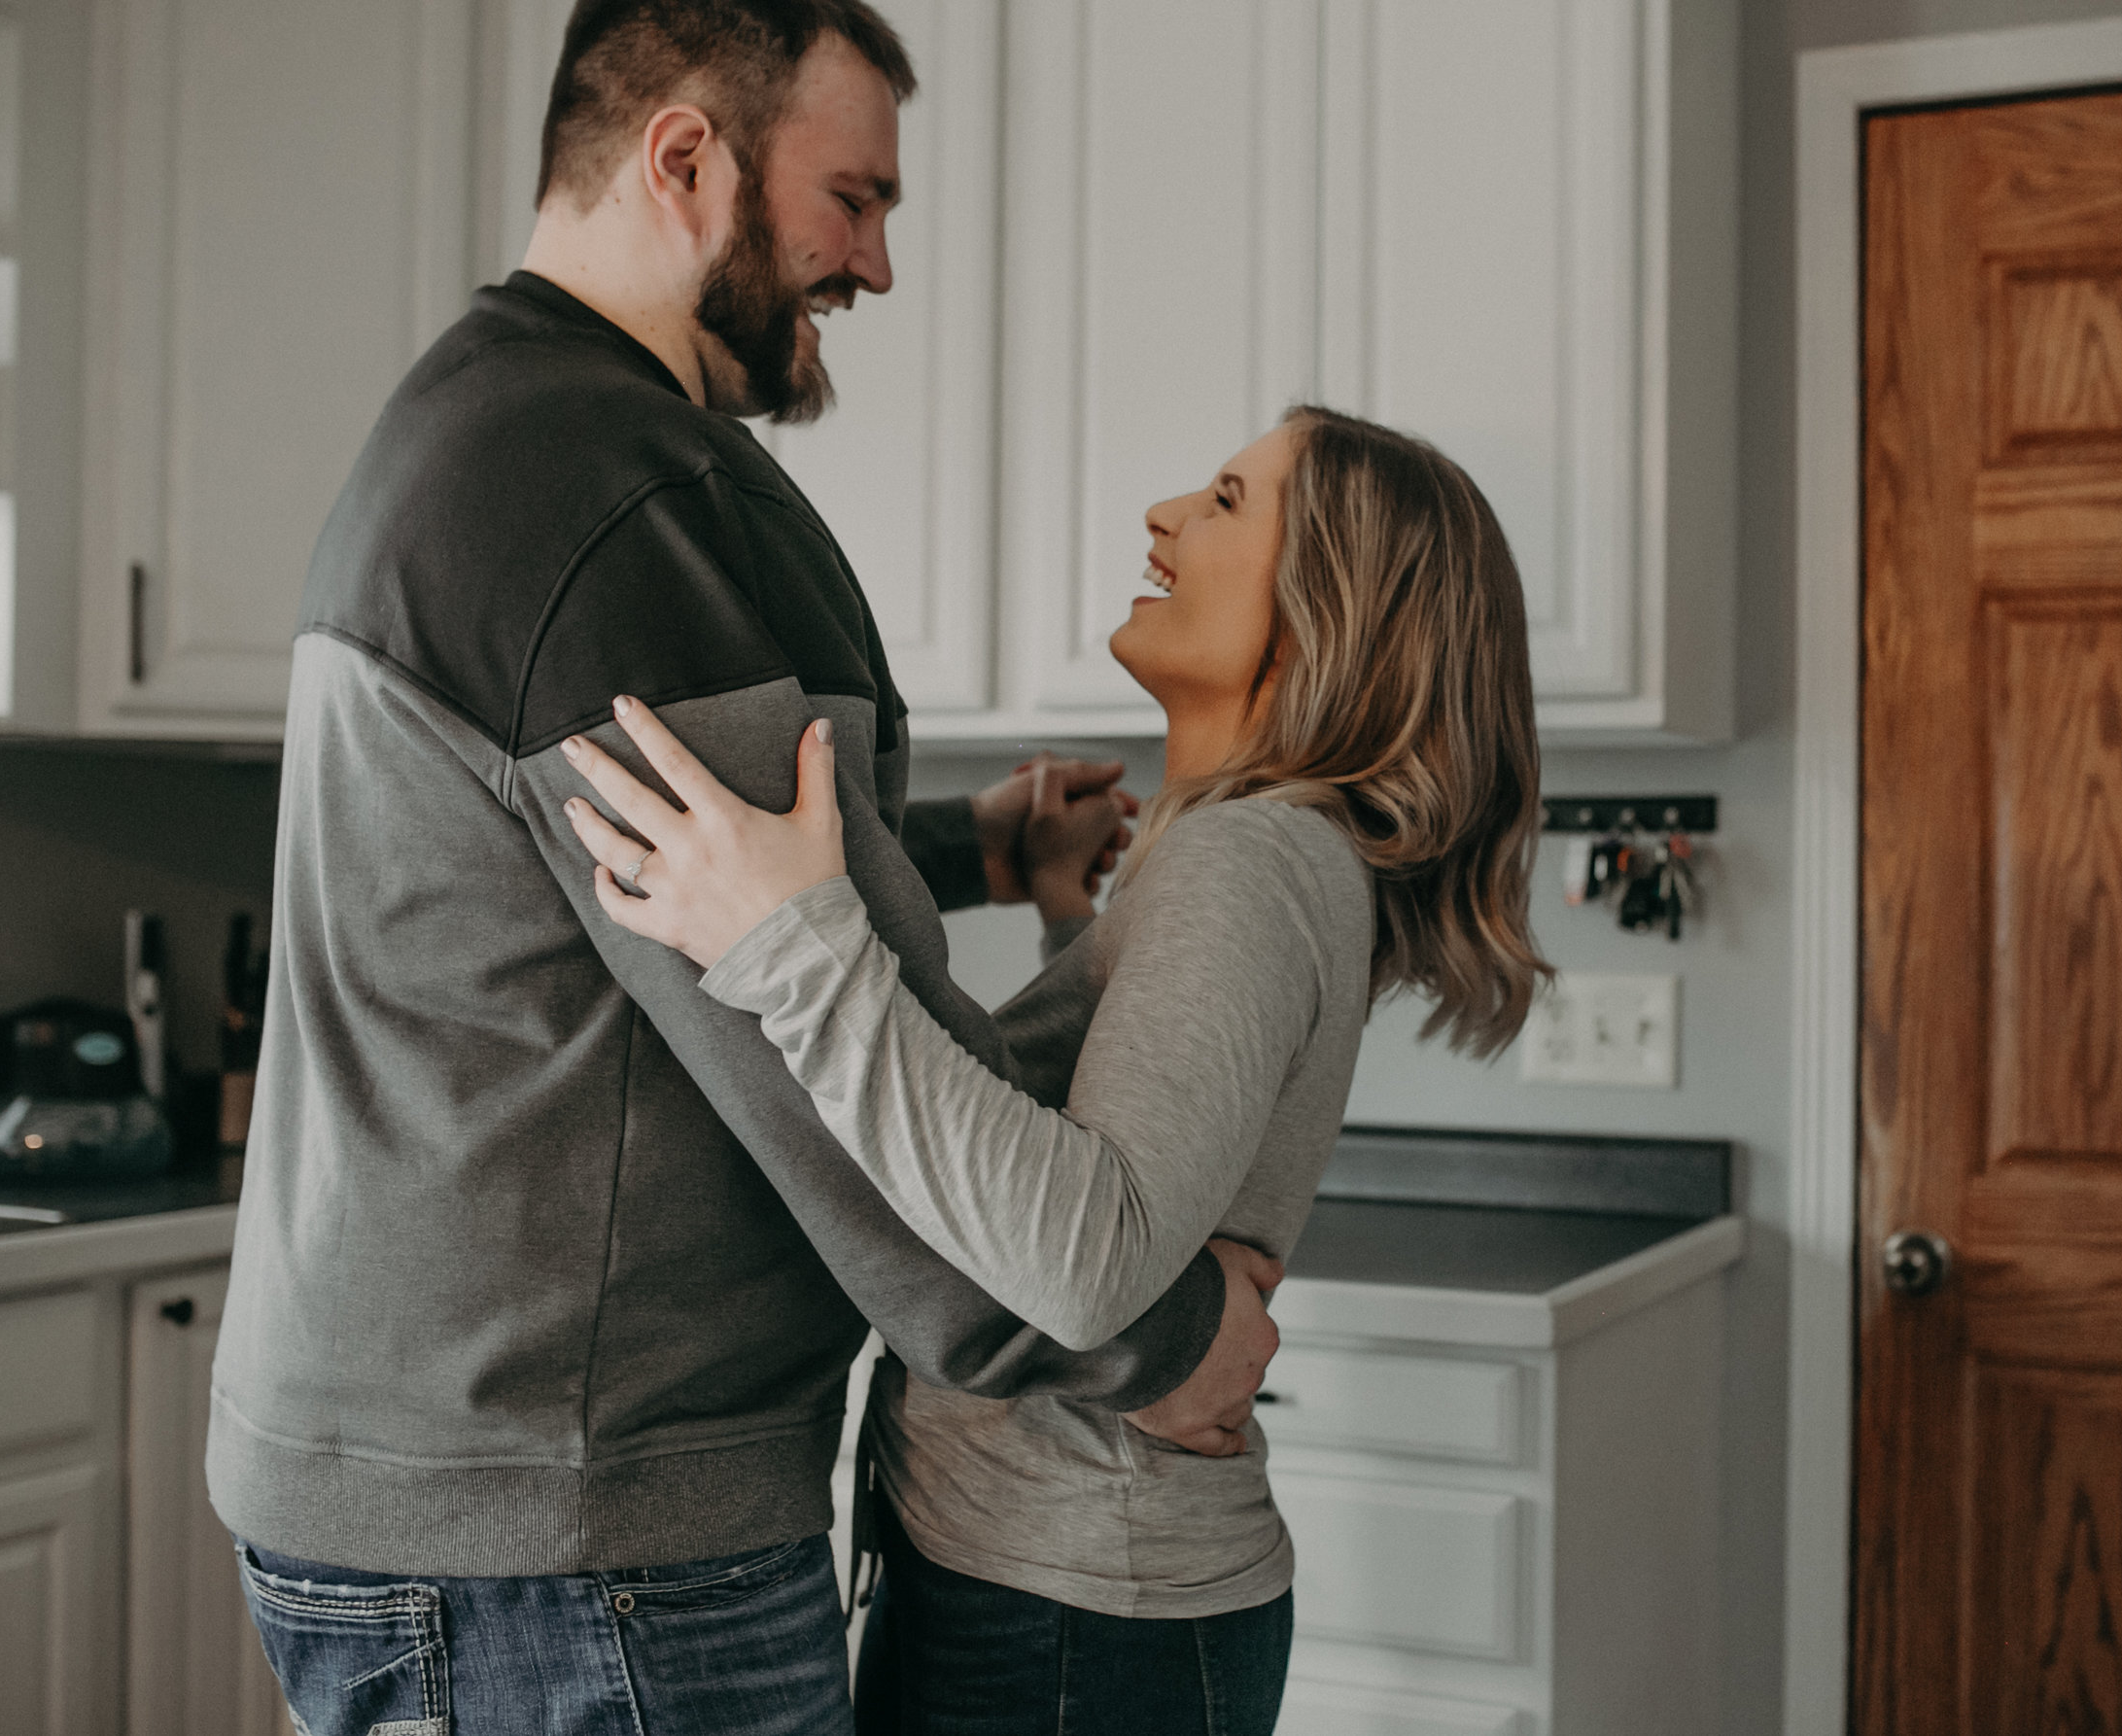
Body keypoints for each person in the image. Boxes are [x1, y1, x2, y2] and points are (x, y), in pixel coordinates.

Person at [207, 6, 1281, 1734]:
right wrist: (1143, 1342)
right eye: (851, 199)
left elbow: (620, 880)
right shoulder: (608, 497)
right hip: (573, 1532)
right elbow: (783, 1037)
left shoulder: (495, 422)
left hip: (464, 1492)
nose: (873, 260)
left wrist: (973, 849)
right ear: (686, 157)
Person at [559, 404, 1552, 1733]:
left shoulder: (1249, 861)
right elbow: (1127, 1127)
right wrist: (1057, 915)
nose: (1164, 516)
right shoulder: (1240, 851)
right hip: (1069, 1594)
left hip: (1074, 1618)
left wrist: (787, 945)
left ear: (1332, 610)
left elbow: (1087, 1254)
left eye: (1225, 500)